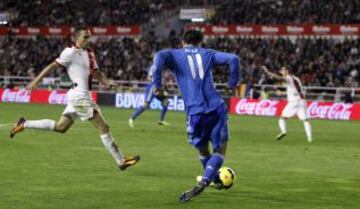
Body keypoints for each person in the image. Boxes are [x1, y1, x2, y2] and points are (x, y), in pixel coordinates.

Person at [9, 26, 140, 171]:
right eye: (85, 37)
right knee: (103, 127)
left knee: (61, 127)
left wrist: (108, 82)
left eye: (89, 36)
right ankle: (121, 160)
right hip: (80, 96)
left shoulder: (90, 53)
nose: (88, 39)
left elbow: (97, 74)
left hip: (82, 95)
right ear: (76, 38)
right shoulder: (69, 52)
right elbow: (52, 66)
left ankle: (24, 123)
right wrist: (36, 81)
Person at [152, 30, 240, 203]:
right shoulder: (208, 53)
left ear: (183, 41)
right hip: (216, 107)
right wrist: (232, 82)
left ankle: (211, 179)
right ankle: (209, 179)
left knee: (202, 150)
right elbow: (234, 59)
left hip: (194, 112)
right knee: (220, 151)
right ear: (201, 42)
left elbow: (159, 56)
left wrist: (157, 85)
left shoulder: (174, 54)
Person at [261, 65, 313, 143]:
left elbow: (279, 78)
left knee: (282, 118)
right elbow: (295, 90)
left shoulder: (288, 77)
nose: (281, 72)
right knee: (306, 120)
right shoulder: (296, 78)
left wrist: (268, 72)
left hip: (294, 102)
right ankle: (310, 139)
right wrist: (283, 93)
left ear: (287, 71)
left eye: (282, 70)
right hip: (302, 101)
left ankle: (283, 131)